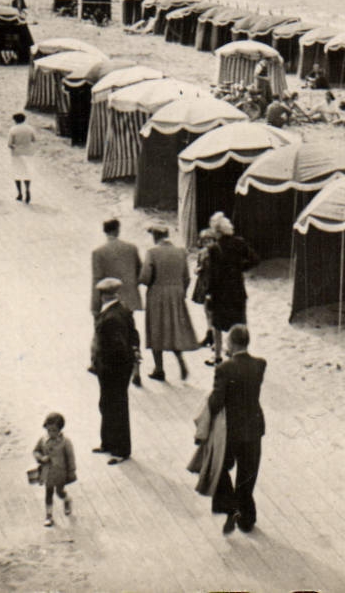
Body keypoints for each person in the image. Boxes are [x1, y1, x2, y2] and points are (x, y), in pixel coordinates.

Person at [209, 325, 267, 535]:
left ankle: (230, 506)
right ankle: (247, 518)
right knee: (248, 472)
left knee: (220, 467)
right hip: (253, 426)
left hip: (231, 430)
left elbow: (216, 402)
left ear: (231, 343)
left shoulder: (224, 369)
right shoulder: (260, 364)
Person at [141, 223, 201, 381]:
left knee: (156, 330)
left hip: (157, 294)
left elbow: (146, 277)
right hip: (176, 294)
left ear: (155, 236)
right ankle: (181, 362)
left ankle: (159, 368)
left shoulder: (152, 252)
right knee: (173, 329)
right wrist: (181, 293)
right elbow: (187, 278)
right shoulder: (181, 252)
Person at [92, 278, 139, 465]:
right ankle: (108, 443)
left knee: (116, 407)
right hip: (116, 368)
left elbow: (118, 346)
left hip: (113, 369)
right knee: (107, 404)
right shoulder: (122, 310)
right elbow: (134, 335)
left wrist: (109, 367)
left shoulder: (111, 317)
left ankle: (120, 449)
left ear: (103, 295)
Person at [203, 214, 258, 367]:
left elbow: (212, 274)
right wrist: (240, 268)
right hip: (237, 289)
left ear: (218, 230)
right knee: (238, 321)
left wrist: (209, 292)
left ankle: (217, 355)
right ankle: (237, 353)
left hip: (220, 291)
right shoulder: (239, 243)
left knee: (217, 324)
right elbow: (255, 259)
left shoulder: (214, 248)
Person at [32, 412, 77, 527]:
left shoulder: (65, 442)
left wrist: (71, 471)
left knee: (59, 492)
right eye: (49, 430)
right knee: (49, 493)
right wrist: (41, 458)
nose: (51, 433)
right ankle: (49, 515)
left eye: (54, 430)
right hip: (47, 472)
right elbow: (36, 451)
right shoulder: (43, 440)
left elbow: (70, 457)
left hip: (60, 473)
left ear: (60, 430)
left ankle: (67, 500)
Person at [7, 112, 37, 203]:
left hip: (17, 153)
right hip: (28, 153)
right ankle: (27, 189)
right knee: (27, 172)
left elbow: (9, 144)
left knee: (17, 173)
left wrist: (14, 147)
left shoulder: (13, 129)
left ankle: (19, 193)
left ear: (15, 120)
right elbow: (34, 139)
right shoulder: (30, 128)